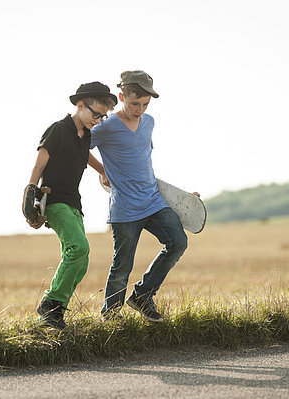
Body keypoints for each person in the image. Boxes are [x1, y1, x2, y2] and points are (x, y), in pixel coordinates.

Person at [88, 70, 189, 322]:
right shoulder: (106, 127)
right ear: (121, 97)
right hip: (124, 208)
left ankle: (142, 295)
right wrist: (102, 170)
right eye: (135, 103)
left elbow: (143, 161)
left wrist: (180, 198)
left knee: (178, 242)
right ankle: (110, 318)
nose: (140, 109)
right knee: (122, 267)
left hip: (154, 201)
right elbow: (79, 148)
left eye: (145, 104)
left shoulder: (149, 122)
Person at [24, 81, 117, 330]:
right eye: (94, 113)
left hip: (74, 202)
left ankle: (55, 312)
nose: (97, 120)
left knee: (81, 259)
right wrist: (31, 191)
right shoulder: (58, 129)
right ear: (80, 105)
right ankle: (50, 306)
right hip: (53, 199)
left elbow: (85, 155)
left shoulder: (85, 135)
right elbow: (40, 161)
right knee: (78, 248)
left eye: (102, 116)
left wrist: (103, 171)